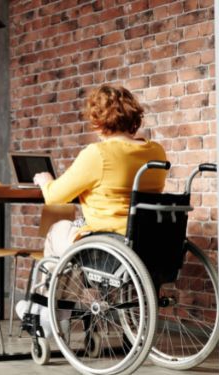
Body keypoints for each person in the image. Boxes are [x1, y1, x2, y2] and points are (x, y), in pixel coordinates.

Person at [33, 84, 167, 258]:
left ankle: (51, 286)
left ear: (97, 121)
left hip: (110, 245)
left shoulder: (98, 154)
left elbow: (54, 197)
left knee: (57, 230)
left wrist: (46, 181)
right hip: (148, 242)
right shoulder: (156, 151)